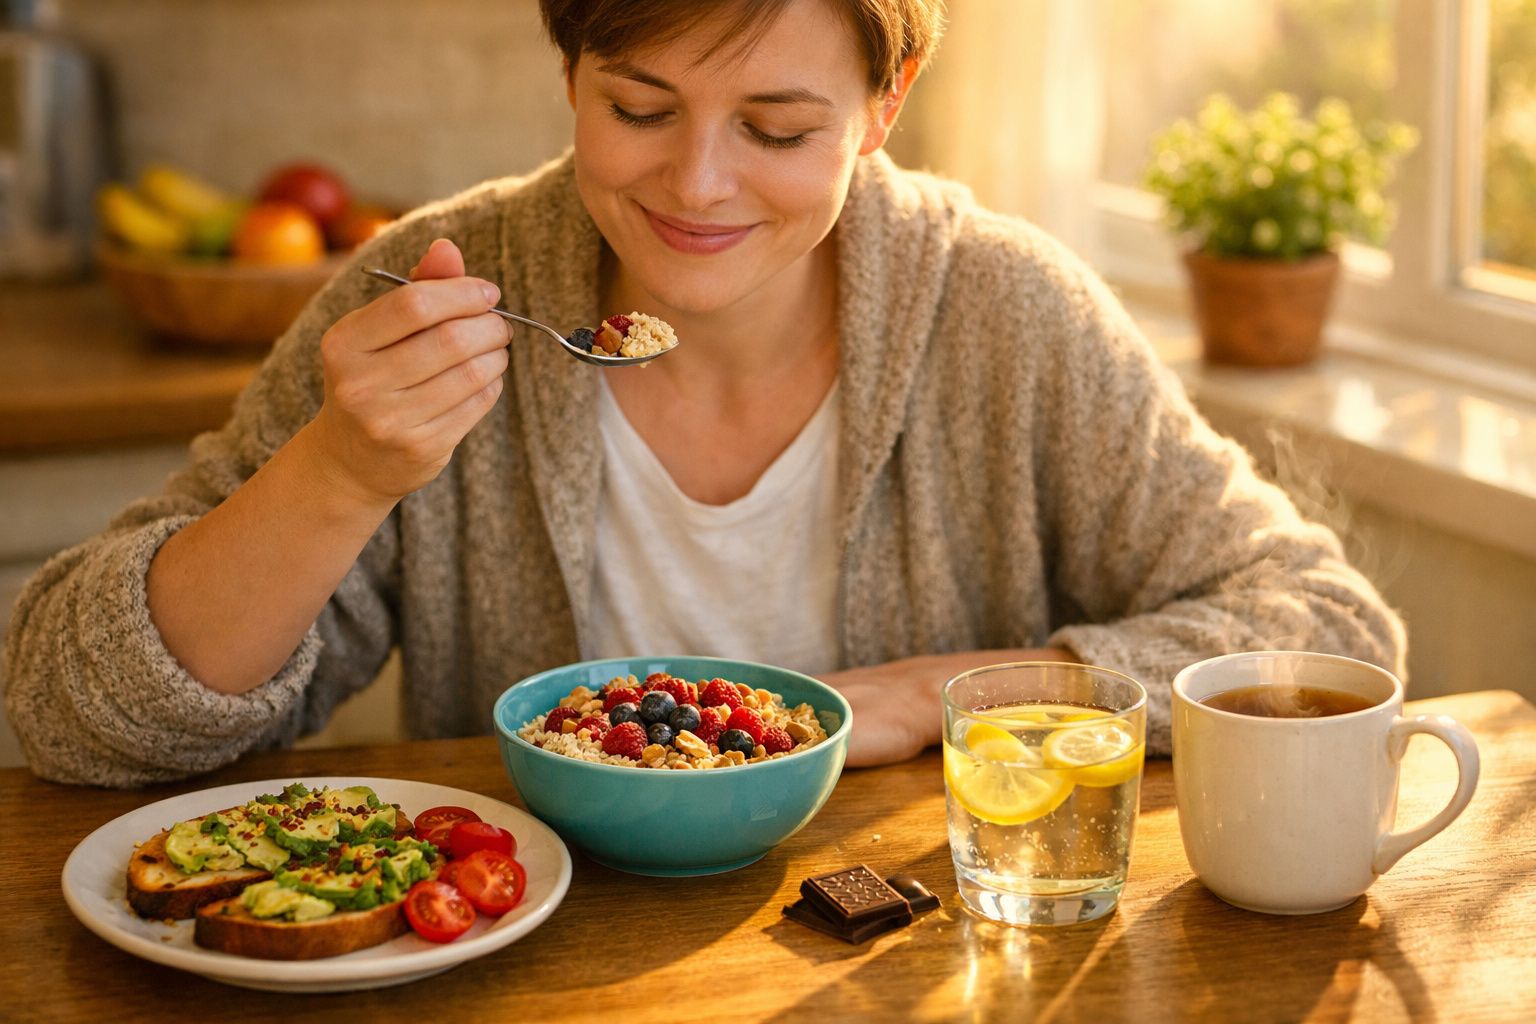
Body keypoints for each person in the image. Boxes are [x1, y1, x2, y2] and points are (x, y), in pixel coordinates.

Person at [3, 0, 1404, 787]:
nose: (698, 186)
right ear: (567, 72)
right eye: (638, 108)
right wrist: (336, 475)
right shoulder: (430, 284)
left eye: (779, 128)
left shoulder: (1003, 313)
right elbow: (67, 713)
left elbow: (1322, 628)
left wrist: (947, 696)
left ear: (886, 100)